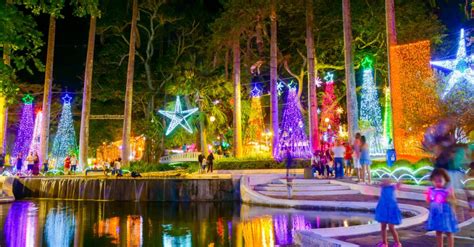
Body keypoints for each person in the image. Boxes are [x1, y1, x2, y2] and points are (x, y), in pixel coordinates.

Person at [426, 168, 458, 247]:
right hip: (437, 213)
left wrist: (450, 197)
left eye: (440, 180)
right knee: (438, 231)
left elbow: (453, 201)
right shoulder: (432, 190)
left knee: (449, 232)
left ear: (445, 180)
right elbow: (429, 200)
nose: (437, 183)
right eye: (435, 181)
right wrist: (428, 195)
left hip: (446, 213)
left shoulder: (448, 190)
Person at [375, 178, 402, 247]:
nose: (385, 182)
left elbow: (398, 186)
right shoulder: (382, 186)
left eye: (387, 181)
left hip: (391, 209)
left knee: (391, 227)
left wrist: (399, 182)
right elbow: (378, 184)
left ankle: (397, 243)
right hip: (383, 209)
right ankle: (384, 243)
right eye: (384, 181)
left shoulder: (392, 187)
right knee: (383, 226)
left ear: (390, 182)